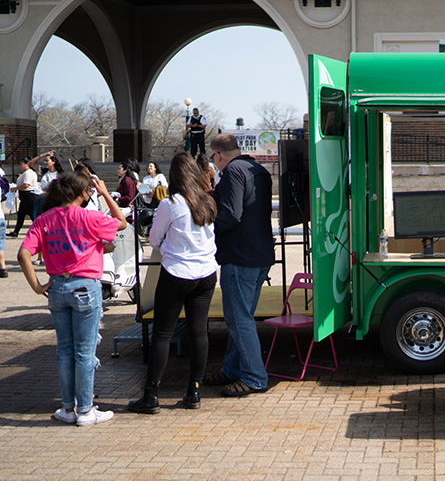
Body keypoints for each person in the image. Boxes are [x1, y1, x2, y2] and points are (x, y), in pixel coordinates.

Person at [17, 172, 126, 426]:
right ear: (81, 193)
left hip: (57, 287)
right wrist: (105, 192)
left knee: (64, 351)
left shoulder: (44, 219)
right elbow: (121, 223)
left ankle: (68, 408)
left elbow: (24, 254)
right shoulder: (89, 217)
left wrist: (36, 286)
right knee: (85, 353)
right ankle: (86, 410)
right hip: (85, 287)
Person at [128, 152, 218, 414]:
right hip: (206, 273)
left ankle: (151, 395)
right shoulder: (207, 201)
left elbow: (154, 239)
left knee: (163, 334)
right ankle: (194, 392)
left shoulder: (171, 204)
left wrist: (169, 244)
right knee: (199, 332)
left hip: (178, 272)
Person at [202, 133, 274, 397]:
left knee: (238, 319)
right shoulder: (259, 170)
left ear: (217, 155)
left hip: (239, 255)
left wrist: (204, 227)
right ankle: (232, 369)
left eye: (213, 159)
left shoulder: (232, 172)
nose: (214, 164)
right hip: (261, 253)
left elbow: (231, 215)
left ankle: (255, 377)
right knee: (241, 317)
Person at [7, 157, 39, 238]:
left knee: (33, 216)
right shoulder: (26, 173)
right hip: (24, 198)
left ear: (26, 164)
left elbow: (26, 185)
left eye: (21, 164)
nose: (20, 166)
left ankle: (40, 231)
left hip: (29, 197)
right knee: (21, 215)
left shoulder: (29, 173)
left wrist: (15, 188)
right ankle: (16, 231)